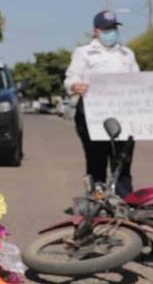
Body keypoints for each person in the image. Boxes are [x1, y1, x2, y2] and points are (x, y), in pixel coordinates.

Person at [63, 11, 139, 197]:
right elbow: (71, 78)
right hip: (92, 114)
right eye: (106, 29)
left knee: (122, 161)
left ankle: (123, 201)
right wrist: (74, 86)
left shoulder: (126, 54)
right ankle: (96, 202)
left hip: (123, 114)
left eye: (113, 28)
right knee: (96, 161)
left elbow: (138, 80)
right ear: (96, 31)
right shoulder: (84, 53)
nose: (110, 32)